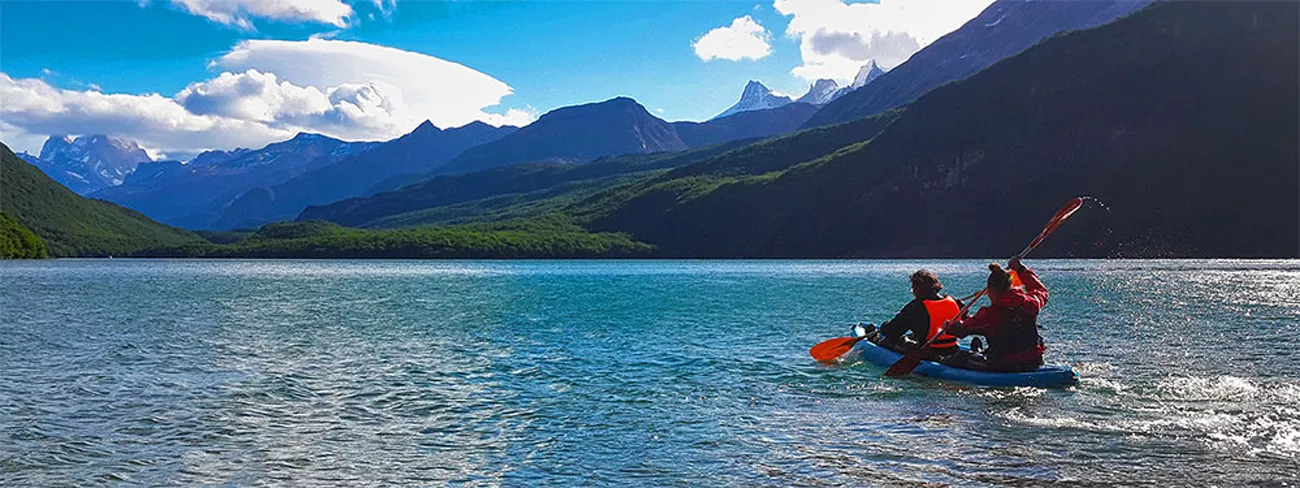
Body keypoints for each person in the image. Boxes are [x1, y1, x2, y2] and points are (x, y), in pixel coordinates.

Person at [946, 257, 1048, 372]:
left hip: (1004, 366)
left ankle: (938, 360)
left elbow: (959, 330)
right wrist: (1021, 269)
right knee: (978, 344)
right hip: (1034, 361)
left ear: (990, 291)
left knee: (960, 357)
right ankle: (980, 352)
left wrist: (948, 325)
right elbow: (1041, 291)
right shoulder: (1030, 304)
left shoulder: (989, 314)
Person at [877, 269, 964, 358]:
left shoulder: (915, 307)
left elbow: (893, 331)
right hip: (952, 349)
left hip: (927, 352)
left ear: (917, 289)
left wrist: (884, 327)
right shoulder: (954, 302)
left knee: (889, 341)